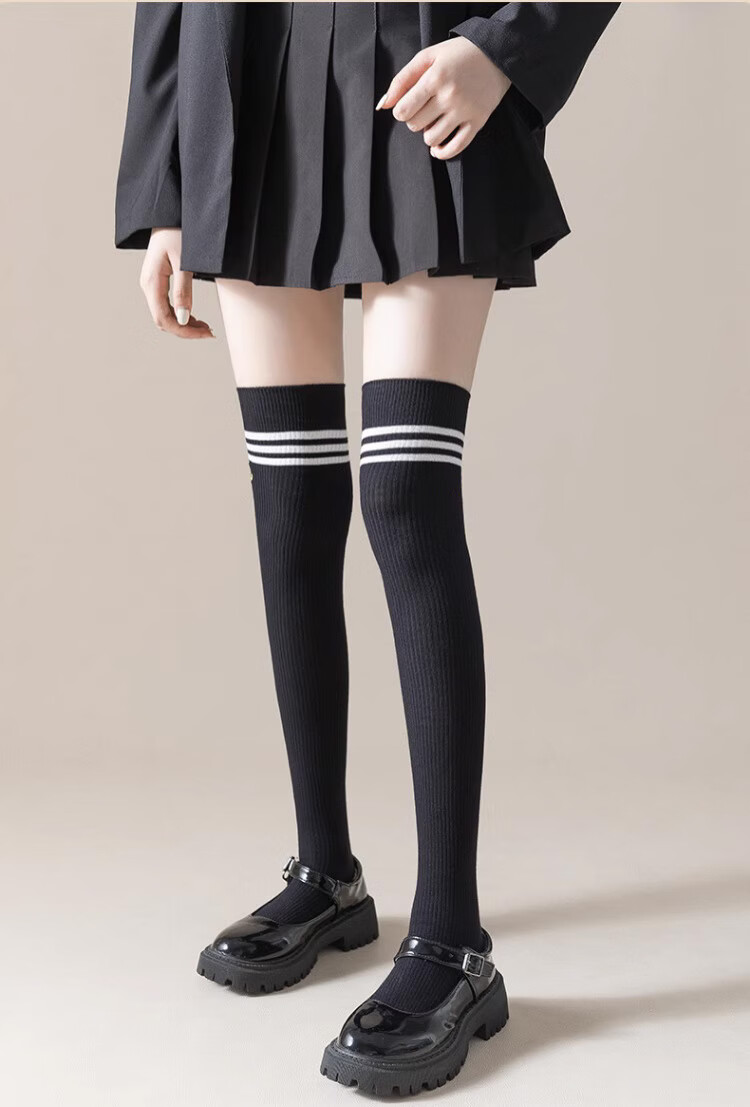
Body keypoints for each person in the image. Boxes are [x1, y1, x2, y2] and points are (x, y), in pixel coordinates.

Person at [114, 2, 619, 1095]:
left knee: (403, 496)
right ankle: (327, 873)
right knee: (291, 505)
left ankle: (452, 938)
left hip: (425, 66)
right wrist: (166, 188)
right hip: (248, 82)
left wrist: (505, 47)